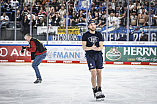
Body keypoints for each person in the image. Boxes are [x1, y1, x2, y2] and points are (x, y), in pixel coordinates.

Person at [82, 20, 105, 100]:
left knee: (99, 72)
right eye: (91, 24)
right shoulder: (85, 35)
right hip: (90, 55)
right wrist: (91, 48)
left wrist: (97, 48)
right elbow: (84, 47)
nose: (93, 26)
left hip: (98, 55)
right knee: (93, 72)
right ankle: (94, 90)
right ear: (88, 26)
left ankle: (99, 89)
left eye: (94, 24)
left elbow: (101, 46)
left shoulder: (99, 34)